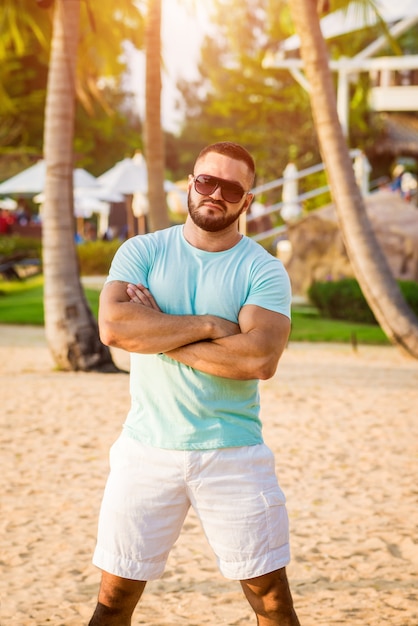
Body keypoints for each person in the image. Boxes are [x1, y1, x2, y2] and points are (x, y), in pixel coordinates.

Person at [89, 141, 300, 626]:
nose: (216, 194)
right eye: (207, 181)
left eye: (232, 188)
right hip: (144, 450)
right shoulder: (142, 249)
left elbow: (260, 358)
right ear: (190, 182)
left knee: (272, 601)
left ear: (247, 201)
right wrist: (208, 324)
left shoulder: (262, 269)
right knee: (114, 599)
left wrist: (159, 329)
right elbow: (116, 330)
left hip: (234, 454)